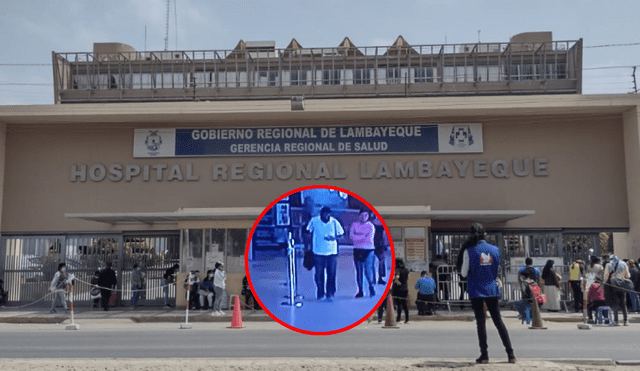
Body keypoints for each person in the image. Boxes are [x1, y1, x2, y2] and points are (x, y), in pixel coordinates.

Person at [461, 222, 515, 364]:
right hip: (491, 288)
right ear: (485, 234)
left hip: (476, 289)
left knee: (481, 322)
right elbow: (496, 267)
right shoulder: (495, 249)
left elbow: (463, 272)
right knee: (498, 321)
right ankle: (510, 354)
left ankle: (484, 355)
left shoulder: (469, 250)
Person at [306, 206, 344, 302]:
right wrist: (307, 247)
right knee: (319, 274)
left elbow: (341, 235)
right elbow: (308, 232)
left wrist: (334, 238)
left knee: (331, 274)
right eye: (325, 214)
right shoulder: (314, 221)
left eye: (328, 214)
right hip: (318, 252)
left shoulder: (334, 222)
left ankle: (330, 293)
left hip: (332, 252)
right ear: (321, 214)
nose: (327, 215)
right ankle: (320, 292)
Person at [350, 209, 376, 298]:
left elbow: (369, 239)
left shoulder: (370, 226)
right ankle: (360, 290)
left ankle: (371, 285)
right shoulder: (354, 225)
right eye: (362, 215)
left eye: (366, 215)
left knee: (368, 270)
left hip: (369, 250)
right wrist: (363, 236)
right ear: (359, 215)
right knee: (359, 271)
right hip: (357, 249)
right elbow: (351, 237)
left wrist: (358, 236)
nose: (364, 217)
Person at [603, 255, 631, 326]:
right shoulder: (624, 264)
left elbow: (605, 277)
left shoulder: (608, 265)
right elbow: (628, 275)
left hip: (613, 285)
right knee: (623, 303)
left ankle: (616, 321)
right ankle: (625, 320)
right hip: (622, 284)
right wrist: (622, 276)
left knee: (615, 303)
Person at [372, 215, 388, 285]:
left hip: (374, 244)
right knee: (381, 262)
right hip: (379, 244)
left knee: (373, 263)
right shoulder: (382, 224)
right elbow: (385, 235)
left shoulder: (372, 223)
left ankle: (374, 279)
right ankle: (380, 278)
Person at [393, 258, 410, 324]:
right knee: (404, 304)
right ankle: (407, 319)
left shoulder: (397, 270)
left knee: (399, 304)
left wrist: (397, 281)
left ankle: (398, 319)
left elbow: (397, 277)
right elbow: (408, 277)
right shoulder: (406, 270)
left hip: (398, 289)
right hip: (405, 288)